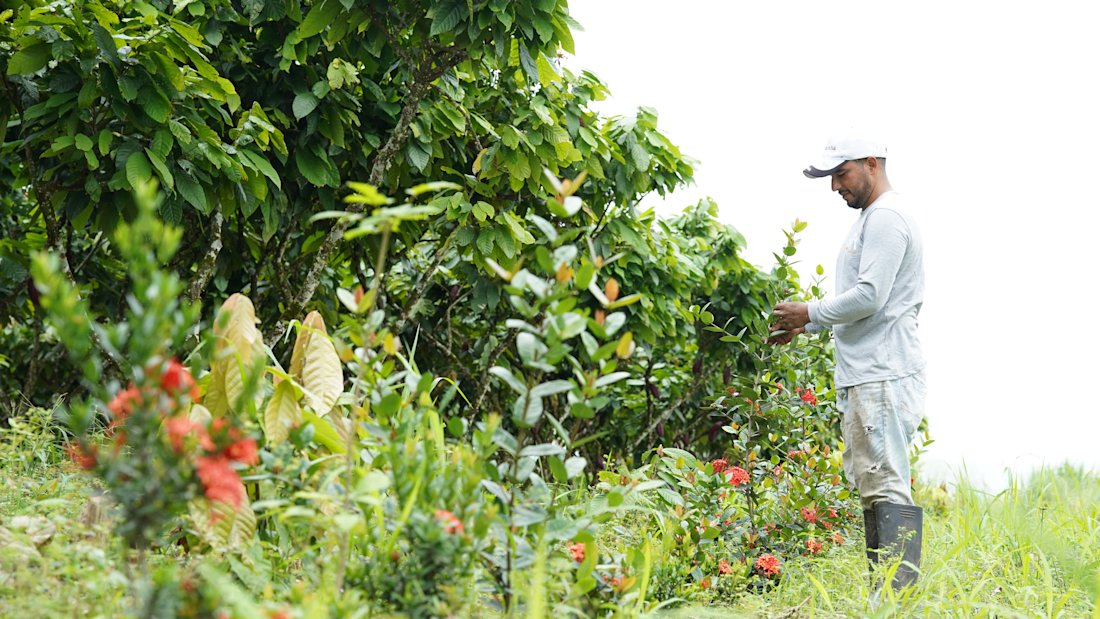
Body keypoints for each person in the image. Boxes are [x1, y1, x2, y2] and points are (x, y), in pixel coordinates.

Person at [768, 129, 926, 592]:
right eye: (831, 177)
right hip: (869, 373)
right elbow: (866, 301)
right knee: (874, 488)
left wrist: (810, 312)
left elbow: (871, 296)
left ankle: (897, 600)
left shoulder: (887, 217)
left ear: (872, 164)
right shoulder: (872, 218)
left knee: (887, 486)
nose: (835, 186)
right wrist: (807, 326)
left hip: (882, 373)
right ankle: (884, 597)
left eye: (842, 173)